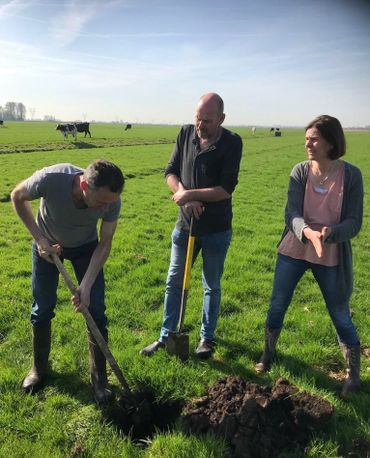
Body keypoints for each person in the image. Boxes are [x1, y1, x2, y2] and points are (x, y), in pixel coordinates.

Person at [255, 115, 363, 398]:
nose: (308, 144)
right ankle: (268, 354)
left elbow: (355, 221)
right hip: (296, 247)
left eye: (313, 139)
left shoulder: (351, 175)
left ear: (331, 141)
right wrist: (308, 233)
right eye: (306, 139)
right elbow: (291, 213)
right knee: (277, 304)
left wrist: (330, 234)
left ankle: (352, 375)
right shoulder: (299, 171)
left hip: (330, 253)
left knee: (339, 312)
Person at [11, 159, 125, 403]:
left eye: (110, 203)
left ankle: (100, 382)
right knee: (42, 307)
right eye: (102, 203)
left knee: (95, 309)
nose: (106, 209)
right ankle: (39, 370)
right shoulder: (51, 179)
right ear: (84, 185)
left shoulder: (111, 201)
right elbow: (17, 196)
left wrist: (85, 285)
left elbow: (105, 243)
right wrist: (39, 239)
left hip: (86, 248)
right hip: (48, 247)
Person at [140, 93, 243, 359]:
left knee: (211, 284)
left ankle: (206, 339)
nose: (200, 125)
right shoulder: (185, 134)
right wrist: (184, 197)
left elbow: (225, 189)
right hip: (185, 226)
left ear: (221, 119)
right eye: (198, 118)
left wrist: (192, 195)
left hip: (217, 228)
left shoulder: (232, 143)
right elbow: (170, 172)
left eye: (207, 120)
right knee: (174, 281)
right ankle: (165, 336)